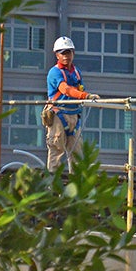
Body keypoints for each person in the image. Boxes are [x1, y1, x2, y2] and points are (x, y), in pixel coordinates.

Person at [43, 36, 88, 170]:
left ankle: (76, 187)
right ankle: (52, 186)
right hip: (59, 116)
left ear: (73, 53)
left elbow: (78, 89)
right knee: (56, 152)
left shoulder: (76, 72)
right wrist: (84, 95)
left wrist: (83, 94)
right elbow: (65, 89)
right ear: (57, 55)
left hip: (74, 116)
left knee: (77, 156)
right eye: (62, 53)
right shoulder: (55, 72)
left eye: (68, 52)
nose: (66, 56)